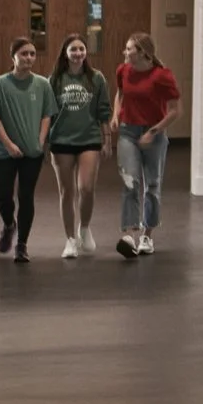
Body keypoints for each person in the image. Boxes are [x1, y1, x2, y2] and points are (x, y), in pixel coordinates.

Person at [0, 36, 57, 262]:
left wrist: (41, 140)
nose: (29, 58)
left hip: (32, 153)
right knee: (4, 198)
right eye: (24, 53)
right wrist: (8, 144)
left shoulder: (42, 84)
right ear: (13, 56)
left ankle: (22, 245)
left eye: (32, 54)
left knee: (26, 196)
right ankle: (8, 224)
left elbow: (47, 114)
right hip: (4, 151)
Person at [111, 31, 182, 259]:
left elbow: (175, 111)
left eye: (129, 48)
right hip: (128, 132)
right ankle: (130, 235)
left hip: (154, 133)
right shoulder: (123, 71)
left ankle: (147, 236)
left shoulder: (162, 76)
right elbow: (120, 93)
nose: (125, 52)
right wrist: (115, 116)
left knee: (152, 185)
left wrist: (153, 131)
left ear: (142, 52)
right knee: (130, 182)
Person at [45, 34, 112, 260]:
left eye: (81, 49)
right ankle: (70, 240)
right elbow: (47, 114)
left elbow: (104, 111)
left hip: (89, 140)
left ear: (86, 52)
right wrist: (44, 140)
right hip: (61, 141)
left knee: (86, 188)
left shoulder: (96, 78)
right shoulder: (54, 80)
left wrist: (107, 140)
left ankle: (84, 227)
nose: (78, 53)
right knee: (67, 192)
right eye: (73, 49)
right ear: (65, 53)